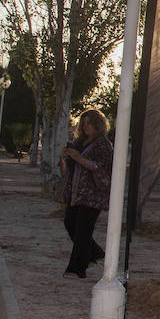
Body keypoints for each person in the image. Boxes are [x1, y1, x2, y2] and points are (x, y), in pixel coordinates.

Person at [60, 109, 114, 279]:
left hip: (93, 194)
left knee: (83, 230)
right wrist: (65, 158)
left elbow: (99, 168)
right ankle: (95, 253)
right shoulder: (79, 142)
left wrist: (78, 158)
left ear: (98, 124)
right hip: (76, 193)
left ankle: (77, 268)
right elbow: (68, 169)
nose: (85, 127)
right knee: (70, 223)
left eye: (89, 123)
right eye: (83, 123)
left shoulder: (103, 145)